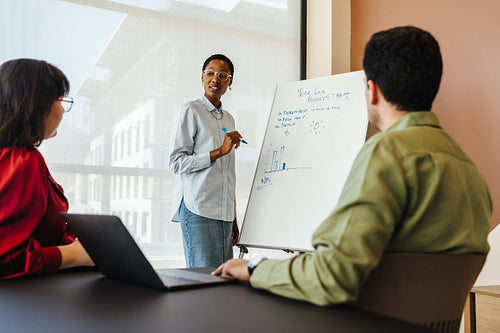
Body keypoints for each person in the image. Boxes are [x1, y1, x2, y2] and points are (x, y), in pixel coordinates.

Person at [212, 26, 492, 306]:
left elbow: (333, 276)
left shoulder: (388, 154)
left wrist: (254, 268)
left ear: (372, 91)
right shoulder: (469, 171)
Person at [0, 58, 94, 279]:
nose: (62, 110)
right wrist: (74, 255)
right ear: (37, 104)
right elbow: (5, 258)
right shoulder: (21, 160)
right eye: (60, 100)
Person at [169, 54, 241, 268]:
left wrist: (233, 217)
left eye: (223, 75)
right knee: (203, 281)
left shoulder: (228, 118)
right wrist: (219, 151)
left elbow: (227, 173)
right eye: (210, 74)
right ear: (201, 77)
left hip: (224, 214)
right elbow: (176, 163)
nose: (215, 80)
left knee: (223, 281)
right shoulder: (190, 110)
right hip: (198, 207)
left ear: (230, 81)